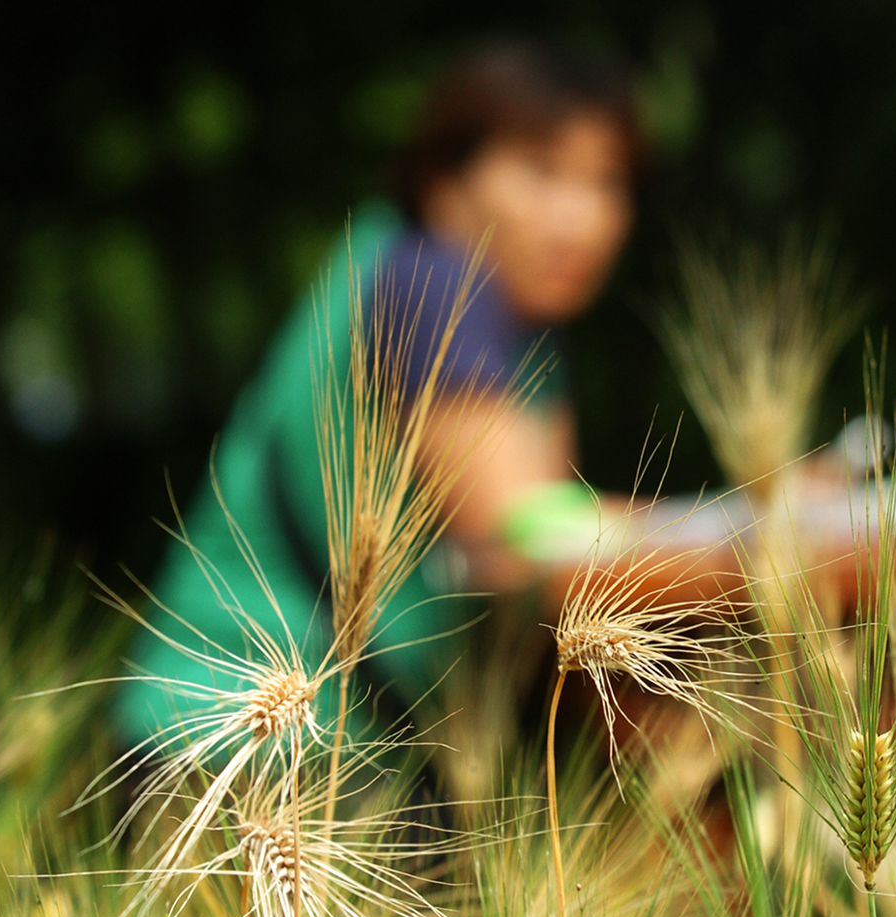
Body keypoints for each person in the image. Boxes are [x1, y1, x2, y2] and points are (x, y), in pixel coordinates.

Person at [115, 40, 639, 747]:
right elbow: (528, 536)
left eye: (608, 183)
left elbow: (552, 576)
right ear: (444, 183)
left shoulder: (525, 332)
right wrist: (775, 532)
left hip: (333, 753)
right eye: (542, 173)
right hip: (246, 749)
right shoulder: (433, 281)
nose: (582, 219)